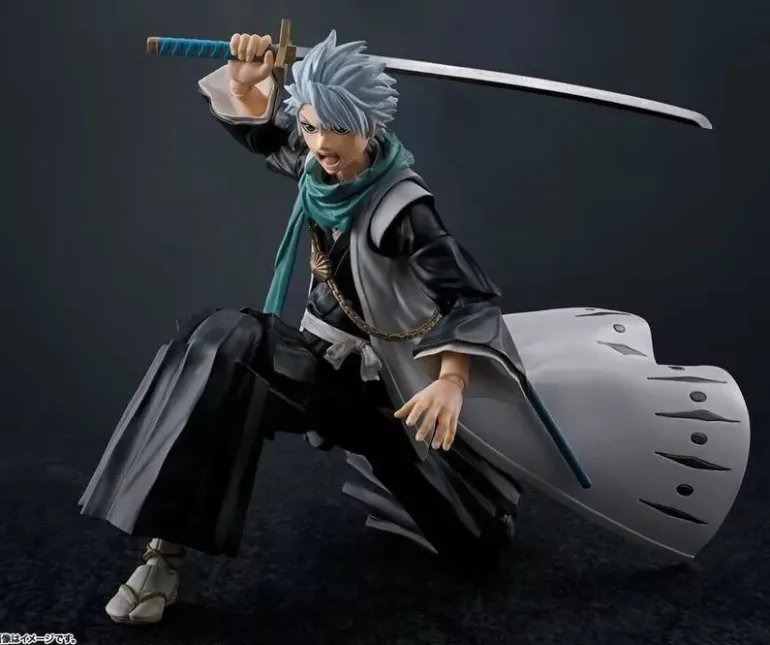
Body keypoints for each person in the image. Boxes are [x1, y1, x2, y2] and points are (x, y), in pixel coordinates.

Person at [79, 30, 524, 625]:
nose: (320, 145)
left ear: (369, 126)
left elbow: (471, 297)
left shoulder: (403, 210)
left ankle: (477, 514)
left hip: (383, 392)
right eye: (311, 128)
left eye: (335, 130)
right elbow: (268, 134)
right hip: (315, 363)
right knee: (222, 341)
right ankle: (162, 557)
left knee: (475, 549)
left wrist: (451, 380)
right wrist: (245, 84)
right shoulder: (319, 166)